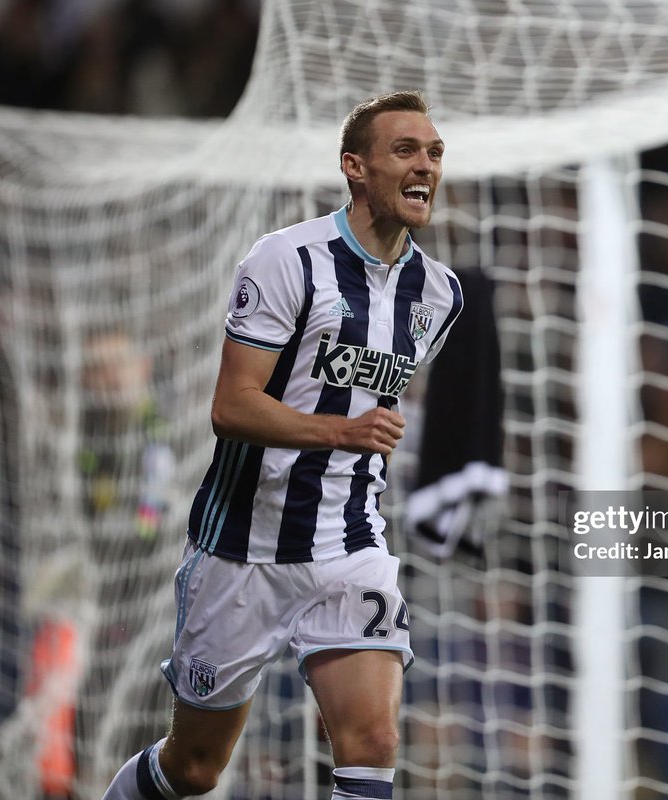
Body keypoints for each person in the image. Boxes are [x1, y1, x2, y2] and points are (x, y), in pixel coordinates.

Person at [102, 90, 462, 800]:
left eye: (435, 153)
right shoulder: (286, 260)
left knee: (374, 742)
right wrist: (341, 431)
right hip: (241, 545)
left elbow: (380, 405)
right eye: (405, 151)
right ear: (355, 168)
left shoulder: (441, 294)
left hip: (348, 541)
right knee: (196, 769)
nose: (425, 166)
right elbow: (231, 408)